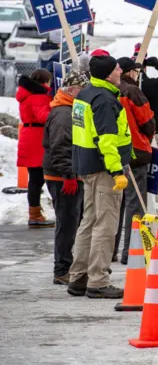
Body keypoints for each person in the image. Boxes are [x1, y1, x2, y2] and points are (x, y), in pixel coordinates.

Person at [68, 55, 131, 299]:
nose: (120, 72)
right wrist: (116, 171)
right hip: (105, 169)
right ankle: (98, 280)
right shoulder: (105, 99)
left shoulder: (85, 94)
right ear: (108, 75)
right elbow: (106, 139)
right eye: (117, 69)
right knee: (106, 225)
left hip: (87, 166)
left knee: (89, 222)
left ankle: (79, 276)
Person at [43, 70, 90, 285]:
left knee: (73, 221)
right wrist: (68, 175)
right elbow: (60, 147)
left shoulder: (70, 109)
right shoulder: (64, 113)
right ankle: (61, 269)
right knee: (67, 223)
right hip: (62, 176)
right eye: (82, 89)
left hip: (66, 174)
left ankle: (67, 266)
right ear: (72, 90)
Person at [114, 57, 155, 266]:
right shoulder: (132, 92)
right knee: (135, 205)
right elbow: (148, 121)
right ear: (130, 73)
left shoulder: (110, 90)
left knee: (115, 206)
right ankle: (131, 252)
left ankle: (112, 251)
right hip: (134, 152)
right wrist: (146, 140)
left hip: (111, 153)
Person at [16, 69, 54, 228]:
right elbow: (43, 116)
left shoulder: (27, 94)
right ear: (45, 82)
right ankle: (35, 215)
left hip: (29, 136)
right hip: (37, 139)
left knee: (35, 179)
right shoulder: (39, 96)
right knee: (38, 179)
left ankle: (35, 212)